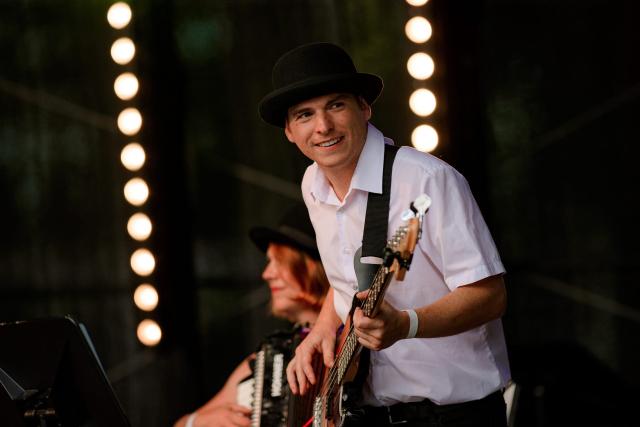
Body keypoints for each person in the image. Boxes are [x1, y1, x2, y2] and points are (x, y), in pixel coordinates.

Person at [258, 42, 511, 426]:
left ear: (364, 107)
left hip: (454, 415)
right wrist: (324, 328)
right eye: (305, 114)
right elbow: (347, 279)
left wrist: (406, 324)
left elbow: (490, 297)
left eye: (336, 105)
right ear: (290, 132)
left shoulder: (426, 181)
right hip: (371, 411)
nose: (323, 126)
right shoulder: (313, 184)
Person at [173, 203, 330, 427]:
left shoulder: (357, 331)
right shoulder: (267, 359)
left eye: (280, 262)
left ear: (312, 267)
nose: (267, 274)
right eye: (269, 262)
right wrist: (197, 421)